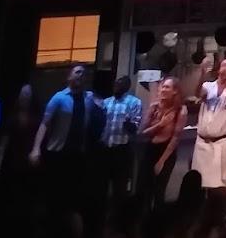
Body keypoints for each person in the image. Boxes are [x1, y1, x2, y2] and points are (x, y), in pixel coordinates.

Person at [30, 65, 103, 220]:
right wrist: (36, 148)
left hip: (77, 154)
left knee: (73, 195)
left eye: (83, 73)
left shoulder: (89, 98)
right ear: (69, 76)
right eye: (77, 72)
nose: (81, 75)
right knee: (54, 193)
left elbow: (102, 107)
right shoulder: (59, 98)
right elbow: (45, 123)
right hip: (58, 152)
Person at [138, 77, 187, 213]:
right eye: (163, 86)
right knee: (143, 189)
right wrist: (160, 124)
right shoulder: (154, 107)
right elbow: (143, 132)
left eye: (167, 87)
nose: (163, 89)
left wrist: (161, 161)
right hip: (150, 149)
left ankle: (157, 221)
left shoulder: (180, 111)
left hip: (166, 152)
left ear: (175, 91)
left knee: (159, 191)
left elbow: (175, 138)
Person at [191, 57, 226, 192]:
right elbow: (198, 94)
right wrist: (202, 73)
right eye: (224, 65)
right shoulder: (208, 85)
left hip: (220, 144)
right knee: (199, 183)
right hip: (202, 143)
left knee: (218, 186)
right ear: (218, 69)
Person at [100, 74, 142, 198]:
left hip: (122, 150)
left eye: (120, 84)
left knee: (120, 187)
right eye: (115, 83)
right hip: (105, 149)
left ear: (127, 87)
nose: (116, 86)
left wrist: (128, 123)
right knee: (102, 185)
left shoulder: (134, 102)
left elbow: (134, 128)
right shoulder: (106, 102)